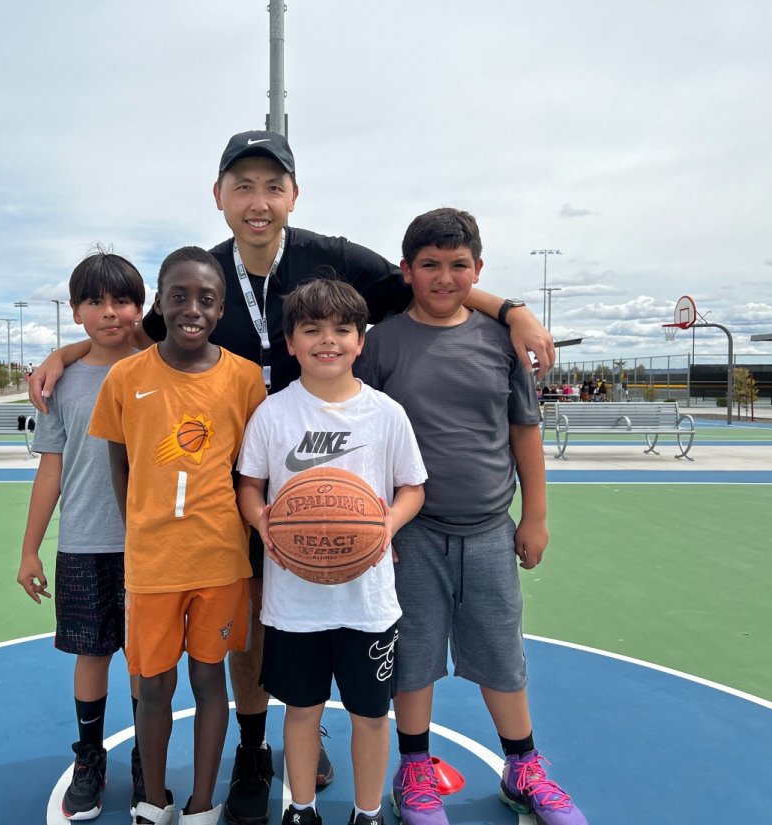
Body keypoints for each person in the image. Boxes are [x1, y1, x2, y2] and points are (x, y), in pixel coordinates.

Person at [31, 130, 557, 825]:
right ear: (219, 197)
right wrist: (67, 353)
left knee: (321, 612)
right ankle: (256, 746)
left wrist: (511, 309)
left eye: (272, 187)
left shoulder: (333, 257)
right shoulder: (203, 275)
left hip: (328, 480)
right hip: (237, 480)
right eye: (243, 186)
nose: (258, 201)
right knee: (254, 619)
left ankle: (313, 736)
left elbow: (430, 281)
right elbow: (135, 335)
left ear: (293, 196)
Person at [355, 208, 586, 825]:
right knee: (412, 656)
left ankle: (523, 767)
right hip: (413, 533)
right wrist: (379, 523)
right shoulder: (381, 345)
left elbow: (524, 432)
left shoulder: (500, 340)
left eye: (458, 264)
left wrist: (534, 516)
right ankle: (414, 768)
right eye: (429, 264)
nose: (444, 277)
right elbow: (363, 438)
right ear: (406, 271)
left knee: (501, 653)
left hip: (488, 529)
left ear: (478, 269)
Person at [236, 277, 426, 825]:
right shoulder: (273, 413)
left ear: (360, 341)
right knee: (301, 711)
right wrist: (263, 522)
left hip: (368, 601)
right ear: (290, 342)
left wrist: (386, 524)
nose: (328, 340)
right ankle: (301, 809)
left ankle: (368, 813)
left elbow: (413, 488)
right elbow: (249, 486)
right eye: (312, 329)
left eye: (343, 330)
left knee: (371, 714)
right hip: (294, 602)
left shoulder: (385, 413)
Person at [89, 247, 266, 825]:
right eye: (179, 297)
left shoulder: (244, 378)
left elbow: (252, 470)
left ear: (221, 309)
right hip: (153, 563)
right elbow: (119, 465)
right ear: (159, 304)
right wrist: (142, 527)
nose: (193, 309)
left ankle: (201, 803)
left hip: (219, 560)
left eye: (206, 299)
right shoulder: (125, 377)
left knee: (210, 679)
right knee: (153, 686)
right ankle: (154, 799)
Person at [16, 250, 147, 820]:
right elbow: (51, 470)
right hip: (84, 543)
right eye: (95, 301)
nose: (109, 312)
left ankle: (147, 757)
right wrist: (29, 549)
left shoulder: (157, 368)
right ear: (75, 311)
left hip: (149, 546)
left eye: (122, 300)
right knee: (92, 655)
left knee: (144, 661)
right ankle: (90, 757)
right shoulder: (61, 385)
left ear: (141, 308)